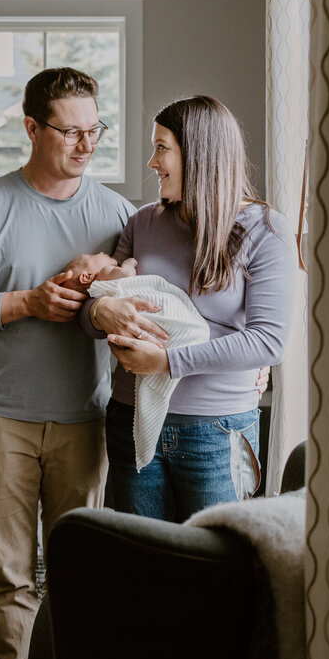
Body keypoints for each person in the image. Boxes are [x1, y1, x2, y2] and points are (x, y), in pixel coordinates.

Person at [0, 67, 134, 659]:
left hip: (85, 420)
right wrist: (28, 303)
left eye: (95, 130)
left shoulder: (120, 214)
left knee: (78, 575)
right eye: (70, 132)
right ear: (32, 128)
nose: (86, 145)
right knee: (10, 579)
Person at [81, 95, 297, 523]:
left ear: (197, 153)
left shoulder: (264, 230)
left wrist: (166, 361)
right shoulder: (142, 222)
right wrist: (99, 313)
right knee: (138, 567)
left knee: (215, 573)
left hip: (216, 433)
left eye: (161, 148)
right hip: (131, 421)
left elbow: (269, 341)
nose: (151, 162)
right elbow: (97, 307)